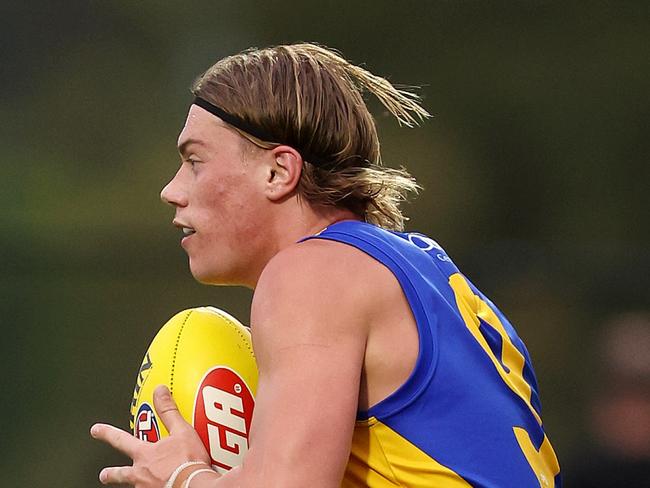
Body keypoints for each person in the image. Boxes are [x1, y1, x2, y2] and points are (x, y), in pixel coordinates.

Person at [91, 43, 561, 487]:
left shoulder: (309, 275)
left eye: (194, 161)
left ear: (278, 172)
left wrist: (181, 476)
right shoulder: (419, 262)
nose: (171, 190)